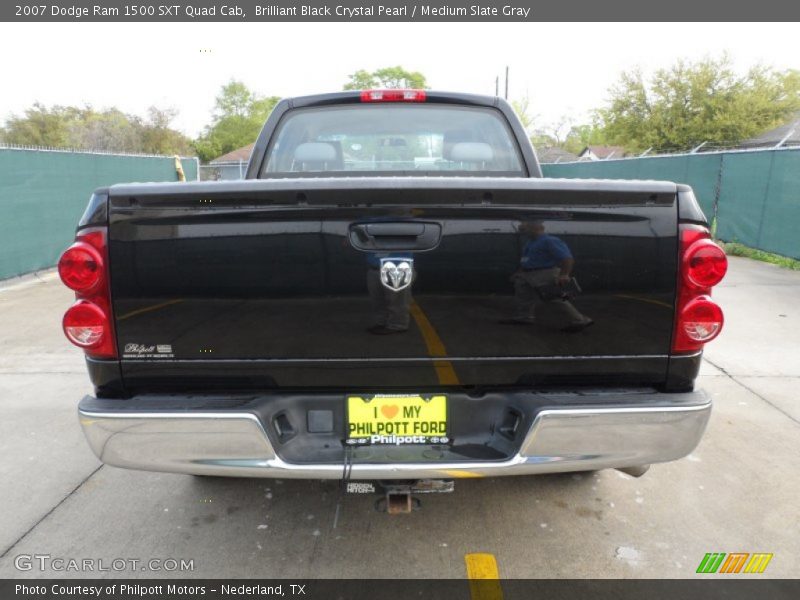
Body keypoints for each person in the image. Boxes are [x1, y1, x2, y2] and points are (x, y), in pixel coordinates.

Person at [504, 221, 593, 332]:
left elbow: (567, 258)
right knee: (524, 296)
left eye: (524, 229)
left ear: (535, 228)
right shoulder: (530, 242)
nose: (522, 232)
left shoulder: (550, 241)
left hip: (545, 273)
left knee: (554, 298)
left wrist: (564, 274)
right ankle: (524, 317)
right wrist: (519, 272)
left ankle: (580, 320)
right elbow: (526, 259)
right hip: (527, 273)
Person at [366, 252, 413, 335]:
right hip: (375, 267)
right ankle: (381, 323)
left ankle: (398, 325)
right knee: (378, 300)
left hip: (398, 267)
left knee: (397, 300)